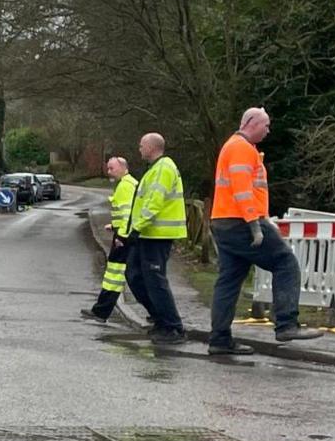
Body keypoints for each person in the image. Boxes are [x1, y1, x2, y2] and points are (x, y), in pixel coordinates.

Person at [208, 106, 321, 353]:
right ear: (251, 123)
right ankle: (286, 324)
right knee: (286, 263)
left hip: (224, 221)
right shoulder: (241, 149)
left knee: (228, 280)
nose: (269, 130)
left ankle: (219, 339)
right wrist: (255, 225)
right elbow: (241, 190)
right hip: (242, 222)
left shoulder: (234, 147)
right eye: (266, 125)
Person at [127, 134, 190, 342]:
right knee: (134, 275)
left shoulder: (163, 168)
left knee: (155, 280)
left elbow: (154, 201)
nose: (139, 148)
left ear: (152, 147)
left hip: (157, 234)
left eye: (142, 145)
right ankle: (160, 319)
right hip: (148, 233)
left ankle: (172, 326)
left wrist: (137, 227)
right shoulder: (155, 168)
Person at [81, 155, 137, 322]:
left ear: (123, 167)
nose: (109, 172)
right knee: (129, 276)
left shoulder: (126, 186)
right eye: (108, 168)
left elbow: (127, 213)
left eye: (112, 168)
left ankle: (101, 311)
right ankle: (101, 311)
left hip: (123, 239)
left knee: (115, 276)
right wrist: (114, 226)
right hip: (125, 235)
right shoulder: (129, 184)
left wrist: (121, 235)